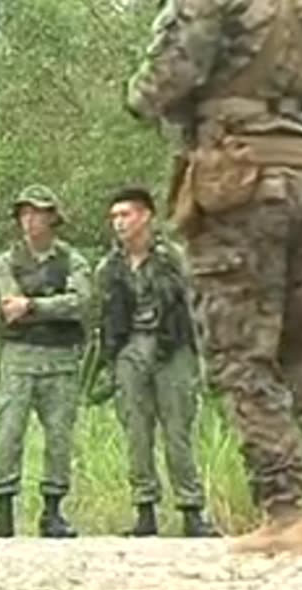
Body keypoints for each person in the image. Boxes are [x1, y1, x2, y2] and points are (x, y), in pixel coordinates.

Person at [124, 0, 302, 554]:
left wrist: (139, 95)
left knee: (239, 353)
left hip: (243, 179)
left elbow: (168, 79)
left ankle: (285, 514)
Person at [95, 185, 218, 538]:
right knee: (136, 431)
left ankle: (191, 510)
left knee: (178, 430)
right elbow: (104, 316)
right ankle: (144, 510)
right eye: (114, 217)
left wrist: (205, 356)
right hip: (130, 350)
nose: (119, 223)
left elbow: (199, 305)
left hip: (171, 348)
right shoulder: (109, 266)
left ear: (146, 215)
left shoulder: (174, 258)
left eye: (126, 214)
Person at [0, 184, 89, 539]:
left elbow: (81, 301)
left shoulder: (72, 259)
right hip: (19, 357)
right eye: (24, 213)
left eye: (38, 213)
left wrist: (35, 306)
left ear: (52, 217)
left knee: (59, 436)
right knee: (7, 432)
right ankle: (2, 510)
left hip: (60, 358)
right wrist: (42, 306)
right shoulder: (6, 261)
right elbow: (10, 306)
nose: (30, 220)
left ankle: (53, 511)